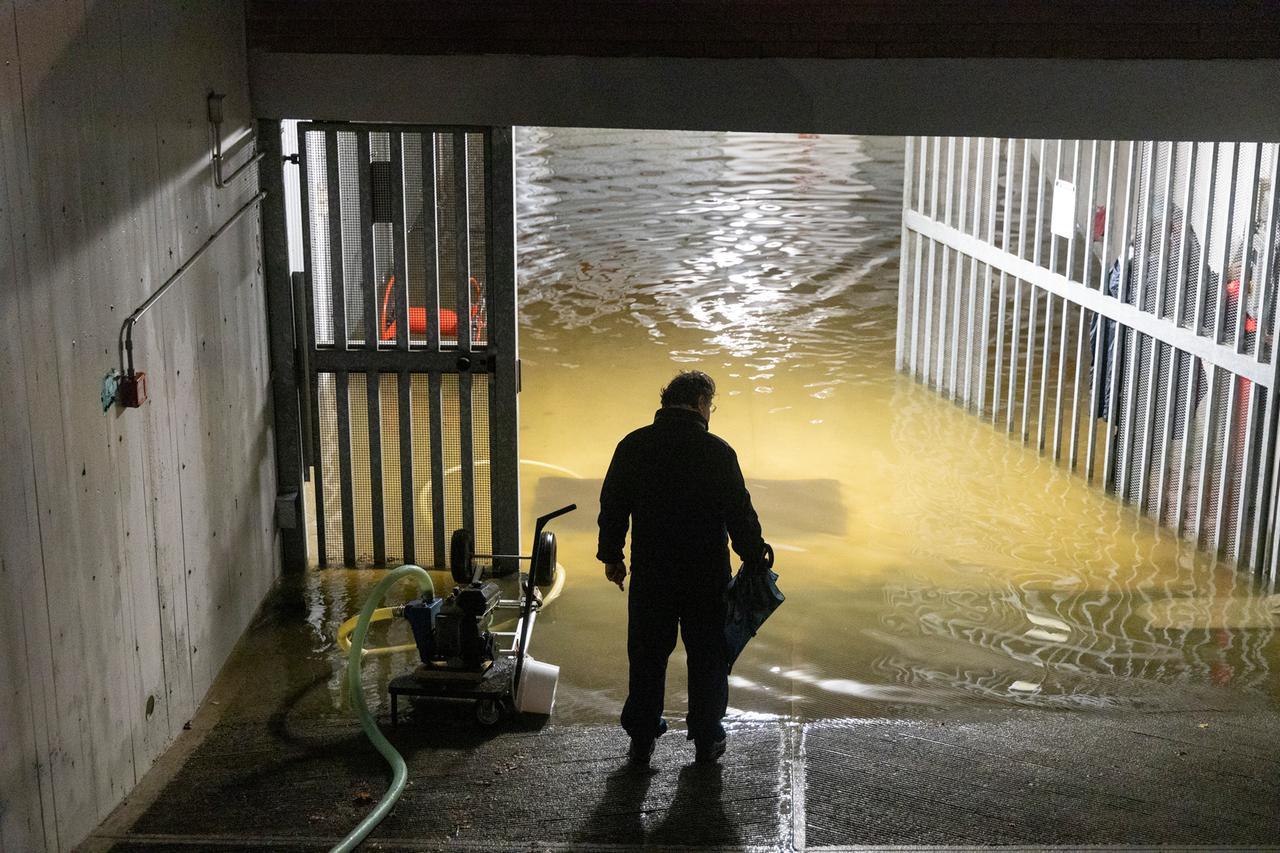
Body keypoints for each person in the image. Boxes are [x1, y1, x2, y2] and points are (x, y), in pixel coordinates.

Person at [597, 370, 767, 766]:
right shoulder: (717, 452)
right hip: (706, 576)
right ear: (700, 403)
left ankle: (642, 738)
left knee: (647, 655)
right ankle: (707, 739)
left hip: (652, 573)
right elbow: (739, 513)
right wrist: (755, 555)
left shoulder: (634, 445)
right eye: (711, 406)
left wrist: (612, 556)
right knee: (708, 657)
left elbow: (613, 505)